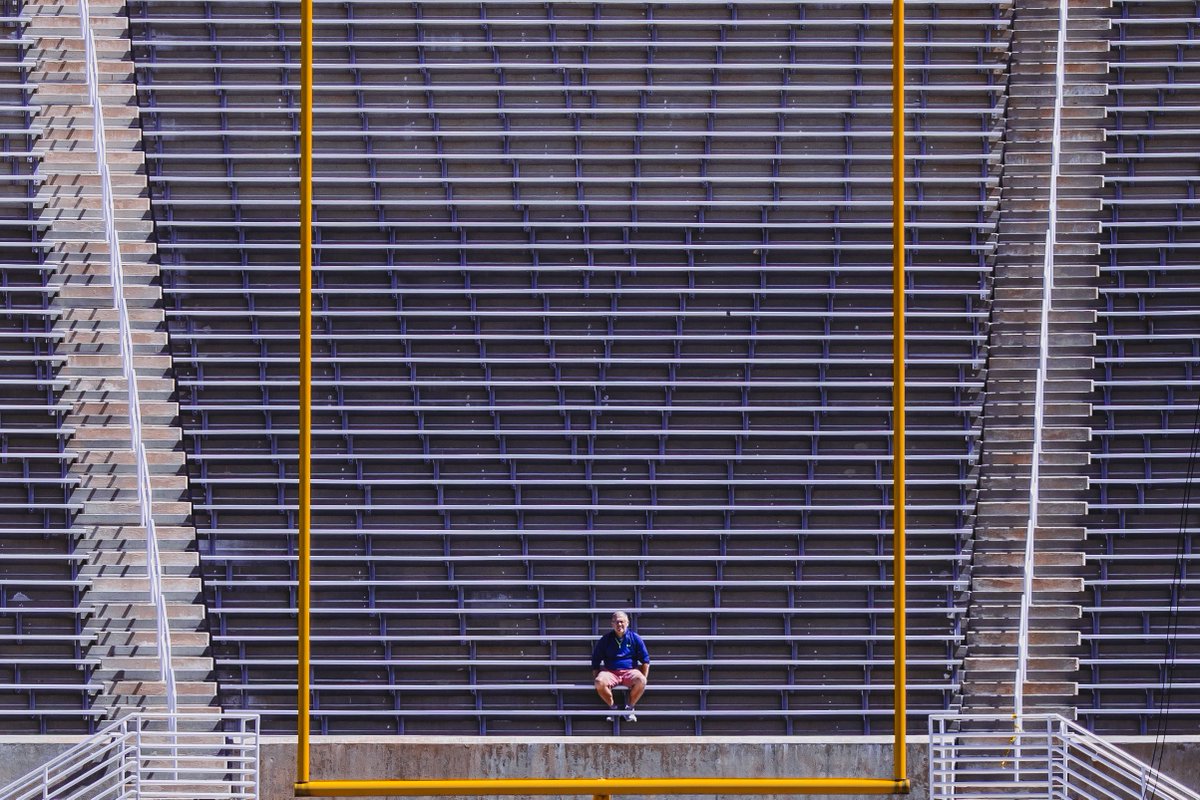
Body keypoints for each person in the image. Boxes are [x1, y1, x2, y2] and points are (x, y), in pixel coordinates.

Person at [591, 610, 650, 722]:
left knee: (641, 681)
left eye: (621, 622)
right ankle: (613, 708)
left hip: (630, 671)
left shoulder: (635, 638)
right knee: (599, 682)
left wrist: (644, 678)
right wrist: (596, 676)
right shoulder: (606, 639)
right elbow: (596, 660)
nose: (619, 624)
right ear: (612, 624)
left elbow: (645, 660)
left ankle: (630, 708)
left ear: (627, 622)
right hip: (610, 672)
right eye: (616, 622)